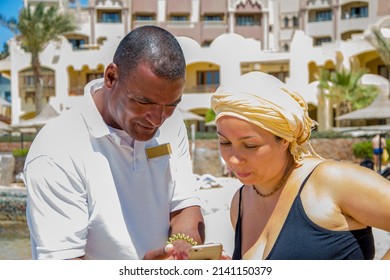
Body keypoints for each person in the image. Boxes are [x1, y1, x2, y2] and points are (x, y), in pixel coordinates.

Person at [23, 25, 204, 260]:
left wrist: (181, 251)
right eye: (144, 102)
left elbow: (185, 208)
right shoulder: (56, 150)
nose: (158, 119)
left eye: (171, 105)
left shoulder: (172, 122)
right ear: (111, 77)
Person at [210, 71, 390, 260]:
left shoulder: (331, 182)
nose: (233, 159)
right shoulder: (240, 202)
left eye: (250, 145)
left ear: (285, 140)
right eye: (225, 143)